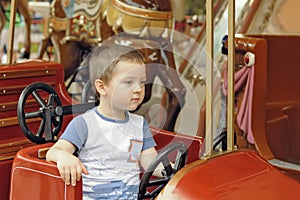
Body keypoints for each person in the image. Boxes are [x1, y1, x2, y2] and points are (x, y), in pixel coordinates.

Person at [46, 44, 162, 199]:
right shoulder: (85, 123)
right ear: (102, 87)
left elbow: (151, 163)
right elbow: (53, 151)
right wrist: (63, 156)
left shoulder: (139, 124)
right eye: (128, 82)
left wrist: (171, 170)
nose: (138, 89)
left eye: (141, 82)